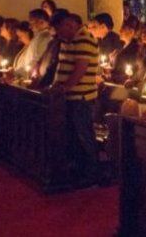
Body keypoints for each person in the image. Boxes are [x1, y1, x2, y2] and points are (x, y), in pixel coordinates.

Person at [49, 11, 100, 186]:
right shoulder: (67, 40)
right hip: (69, 96)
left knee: (83, 134)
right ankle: (78, 170)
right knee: (72, 134)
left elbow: (80, 69)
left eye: (61, 30)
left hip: (81, 96)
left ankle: (91, 173)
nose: (59, 35)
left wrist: (65, 87)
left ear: (69, 24)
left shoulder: (84, 38)